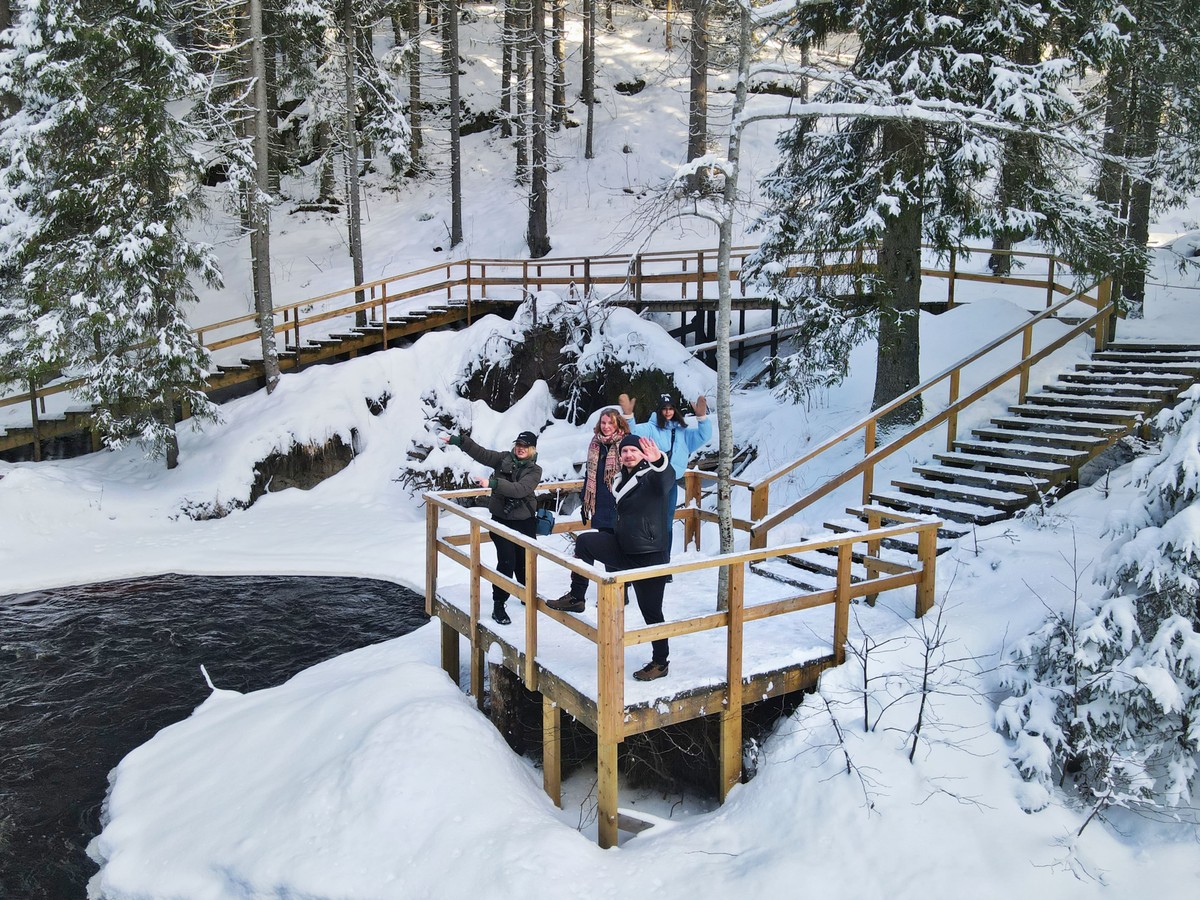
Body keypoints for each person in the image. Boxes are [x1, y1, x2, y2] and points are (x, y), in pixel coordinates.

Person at [548, 434, 673, 681]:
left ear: (642, 454)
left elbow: (665, 481)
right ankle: (577, 596)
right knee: (585, 541)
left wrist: (658, 461)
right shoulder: (618, 479)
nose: (628, 455)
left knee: (652, 612)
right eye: (624, 451)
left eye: (633, 451)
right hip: (624, 547)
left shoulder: (650, 476)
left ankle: (660, 662)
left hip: (649, 555)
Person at [441, 429, 543, 626]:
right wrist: (460, 441)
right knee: (506, 562)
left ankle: (526, 593)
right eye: (518, 445)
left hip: (525, 521)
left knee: (525, 560)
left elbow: (520, 489)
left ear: (532, 449)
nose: (520, 449)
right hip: (501, 519)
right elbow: (482, 454)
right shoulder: (503, 458)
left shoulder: (535, 471)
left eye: (525, 446)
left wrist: (493, 483)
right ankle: (499, 604)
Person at [619, 391, 712, 553]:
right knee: (647, 521)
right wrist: (628, 416)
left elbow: (703, 436)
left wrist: (702, 418)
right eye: (664, 408)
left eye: (671, 408)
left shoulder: (682, 432)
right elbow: (632, 433)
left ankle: (664, 562)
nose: (668, 412)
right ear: (659, 411)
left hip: (670, 485)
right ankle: (644, 559)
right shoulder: (650, 429)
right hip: (650, 484)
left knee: (666, 522)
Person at [580, 407, 631, 534]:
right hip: (601, 504)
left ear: (618, 423)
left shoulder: (627, 443)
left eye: (610, 423)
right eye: (603, 423)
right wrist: (585, 499)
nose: (606, 426)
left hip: (620, 504)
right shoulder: (595, 444)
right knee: (604, 542)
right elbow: (590, 473)